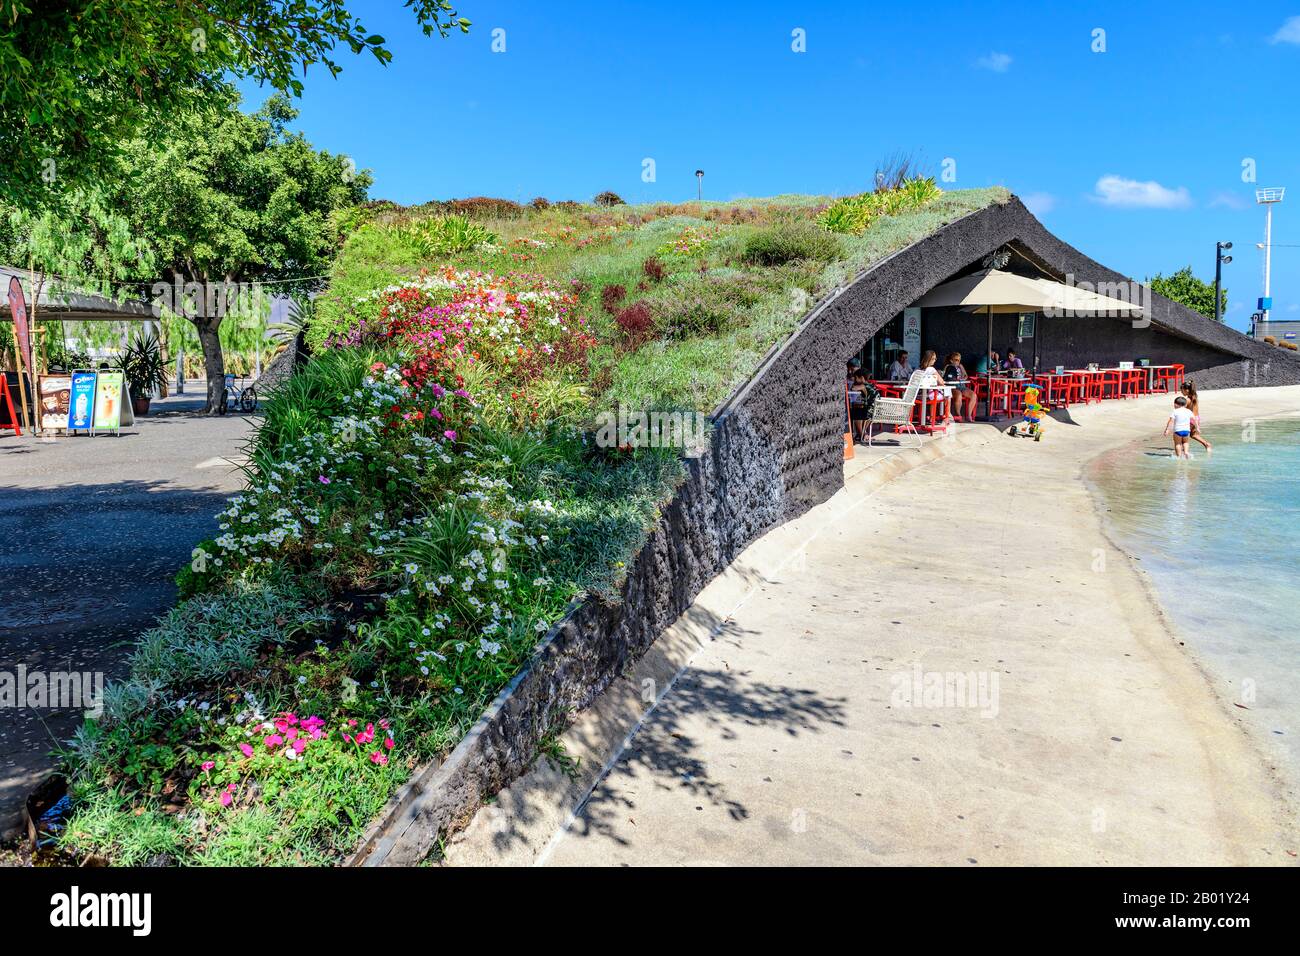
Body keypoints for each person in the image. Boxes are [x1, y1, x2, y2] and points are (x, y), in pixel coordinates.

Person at [1179, 379, 1212, 455]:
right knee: (1193, 435)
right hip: (1196, 418)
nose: (1181, 392)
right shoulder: (1195, 397)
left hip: (1190, 419)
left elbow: (1182, 411)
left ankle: (1182, 450)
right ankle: (1206, 444)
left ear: (1187, 390)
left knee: (1183, 434)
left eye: (1182, 390)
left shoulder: (1187, 400)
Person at [942, 352, 977, 421]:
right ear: (951, 360)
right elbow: (946, 376)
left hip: (961, 385)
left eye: (959, 360)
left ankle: (969, 415)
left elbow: (966, 376)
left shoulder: (960, 366)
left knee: (973, 395)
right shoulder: (948, 366)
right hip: (953, 386)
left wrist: (962, 373)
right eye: (956, 360)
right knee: (959, 395)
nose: (958, 361)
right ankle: (958, 415)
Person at [1164, 395, 1195, 459]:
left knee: (1177, 444)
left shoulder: (1175, 411)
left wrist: (1167, 429)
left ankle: (1179, 456)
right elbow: (1193, 420)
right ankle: (1186, 452)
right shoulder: (1189, 411)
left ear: (1175, 404)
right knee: (1185, 442)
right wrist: (1197, 428)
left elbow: (1171, 421)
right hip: (1187, 430)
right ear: (1185, 405)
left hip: (1178, 431)